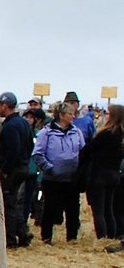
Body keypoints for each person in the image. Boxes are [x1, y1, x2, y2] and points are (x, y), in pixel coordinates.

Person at [32, 101, 87, 243]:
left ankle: (72, 237)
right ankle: (46, 237)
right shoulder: (46, 132)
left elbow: (83, 151)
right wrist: (49, 168)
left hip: (72, 178)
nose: (73, 116)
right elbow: (37, 154)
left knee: (73, 209)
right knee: (50, 208)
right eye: (70, 114)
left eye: (74, 113)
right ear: (61, 115)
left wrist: (80, 171)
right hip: (52, 179)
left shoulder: (76, 132)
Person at [78, 104, 124, 246]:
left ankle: (102, 238)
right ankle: (111, 237)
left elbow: (88, 149)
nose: (105, 116)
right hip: (114, 175)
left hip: (100, 175)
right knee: (109, 209)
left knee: (98, 210)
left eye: (108, 113)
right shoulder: (121, 135)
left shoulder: (106, 133)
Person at [0, 92, 34, 248]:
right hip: (23, 167)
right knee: (14, 203)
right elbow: (30, 145)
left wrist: (5, 170)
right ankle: (23, 234)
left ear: (4, 106)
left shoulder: (10, 126)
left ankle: (10, 240)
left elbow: (12, 151)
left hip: (12, 170)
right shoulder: (23, 123)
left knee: (8, 205)